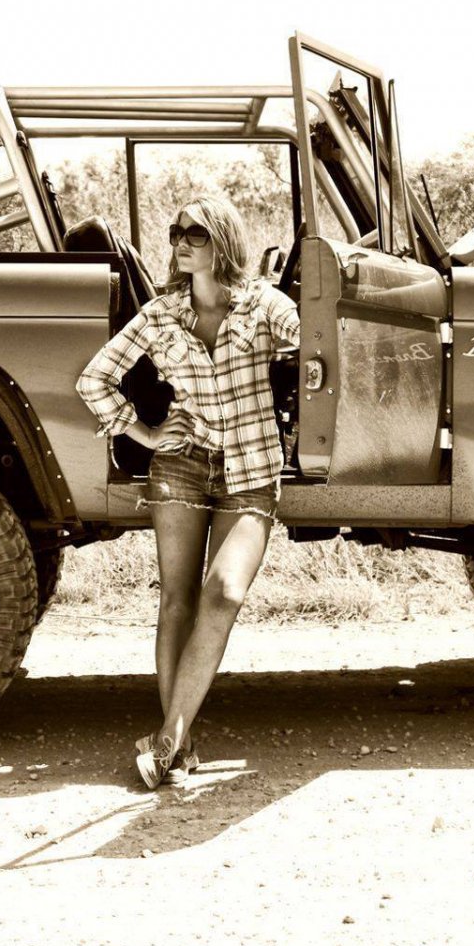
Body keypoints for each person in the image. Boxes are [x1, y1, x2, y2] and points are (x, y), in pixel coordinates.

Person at [75, 194, 300, 789]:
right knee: (176, 598)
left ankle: (167, 737)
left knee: (223, 592)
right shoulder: (161, 314)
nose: (180, 240)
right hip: (181, 465)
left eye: (195, 232)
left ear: (222, 240)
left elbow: (311, 340)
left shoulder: (262, 306)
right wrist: (145, 433)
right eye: (176, 231)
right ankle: (180, 741)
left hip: (251, 469)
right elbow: (93, 377)